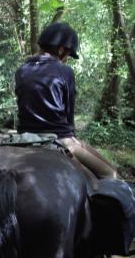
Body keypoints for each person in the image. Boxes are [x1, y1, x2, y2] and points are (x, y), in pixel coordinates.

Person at [15, 22, 117, 179]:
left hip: (23, 137)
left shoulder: (21, 70)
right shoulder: (65, 71)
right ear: (61, 49)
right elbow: (69, 114)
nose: (67, 59)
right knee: (110, 173)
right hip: (59, 139)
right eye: (68, 54)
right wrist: (73, 139)